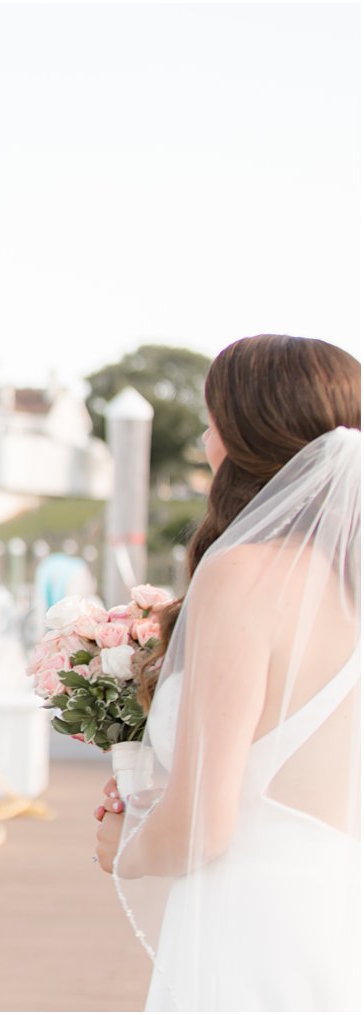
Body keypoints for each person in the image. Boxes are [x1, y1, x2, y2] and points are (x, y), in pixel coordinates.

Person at [92, 334, 360, 1011]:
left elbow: (204, 824)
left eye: (214, 419)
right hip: (336, 910)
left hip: (252, 924)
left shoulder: (243, 576)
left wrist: (124, 844)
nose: (206, 437)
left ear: (244, 434)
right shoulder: (348, 585)